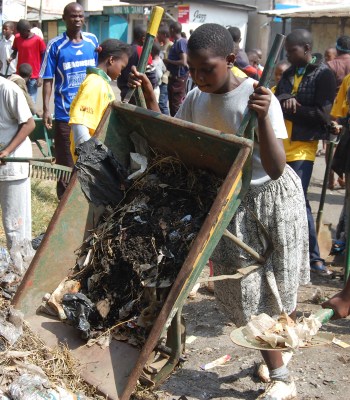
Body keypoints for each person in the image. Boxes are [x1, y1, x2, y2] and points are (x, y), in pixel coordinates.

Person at [128, 23, 309, 400]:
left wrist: (260, 119)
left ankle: (279, 369)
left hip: (273, 198)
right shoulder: (196, 98)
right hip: (234, 202)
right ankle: (278, 368)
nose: (199, 77)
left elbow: (275, 167)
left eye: (207, 68)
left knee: (278, 291)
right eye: (192, 69)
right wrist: (150, 96)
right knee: (246, 293)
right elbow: (175, 134)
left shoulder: (259, 98)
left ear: (229, 60)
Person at [275, 29, 337, 276]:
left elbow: (322, 115)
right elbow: (279, 95)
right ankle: (288, 254)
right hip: (282, 144)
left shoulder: (324, 75)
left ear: (307, 49)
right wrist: (285, 97)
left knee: (298, 201)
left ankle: (313, 259)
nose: (289, 56)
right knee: (282, 201)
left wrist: (293, 108)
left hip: (303, 147)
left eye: (292, 51)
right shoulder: (290, 72)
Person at [40, 2, 98, 199]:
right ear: (64, 18)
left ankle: (85, 201)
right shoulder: (56, 45)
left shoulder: (92, 41)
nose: (78, 20)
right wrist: (46, 109)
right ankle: (64, 204)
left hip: (90, 115)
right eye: (73, 16)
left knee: (89, 159)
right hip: (65, 116)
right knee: (66, 165)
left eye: (81, 16)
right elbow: (48, 79)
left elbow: (99, 75)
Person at [69, 39, 130, 161]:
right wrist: (89, 159)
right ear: (111, 60)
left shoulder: (102, 83)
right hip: (89, 159)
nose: (121, 73)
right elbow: (80, 124)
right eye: (122, 67)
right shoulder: (95, 83)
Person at [0, 63, 35, 250]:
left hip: (13, 165)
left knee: (15, 226)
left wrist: (5, 151)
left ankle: (20, 271)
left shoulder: (8, 89)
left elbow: (29, 124)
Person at [117, 24, 156, 103]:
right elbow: (151, 75)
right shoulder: (142, 52)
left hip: (124, 93)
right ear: (143, 39)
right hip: (138, 96)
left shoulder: (126, 50)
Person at [9, 19, 46, 102]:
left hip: (33, 75)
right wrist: (11, 57)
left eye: (22, 33)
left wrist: (40, 76)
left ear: (28, 30)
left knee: (31, 98)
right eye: (19, 33)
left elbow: (44, 58)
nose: (20, 35)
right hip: (20, 74)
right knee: (19, 96)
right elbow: (15, 51)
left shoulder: (38, 40)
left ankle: (31, 114)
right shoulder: (17, 38)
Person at [163, 21, 189, 116]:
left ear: (172, 30)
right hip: (174, 78)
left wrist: (168, 61)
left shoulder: (181, 42)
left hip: (178, 79)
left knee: (176, 106)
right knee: (173, 105)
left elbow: (183, 62)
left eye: (170, 29)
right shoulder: (176, 42)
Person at [157, 24, 173, 115]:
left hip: (165, 78)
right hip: (160, 77)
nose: (158, 36)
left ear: (165, 35)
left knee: (163, 104)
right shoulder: (161, 46)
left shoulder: (171, 46)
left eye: (159, 34)